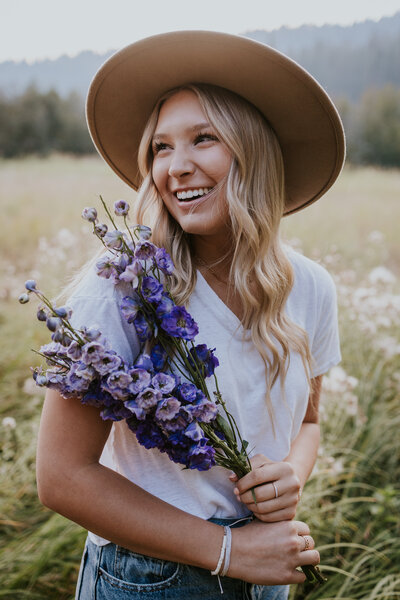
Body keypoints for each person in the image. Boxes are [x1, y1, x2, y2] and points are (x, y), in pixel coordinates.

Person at [36, 31, 345, 599]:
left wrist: (292, 476)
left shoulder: (313, 289)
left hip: (268, 568)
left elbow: (307, 423)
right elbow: (61, 478)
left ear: (255, 150)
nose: (176, 167)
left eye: (204, 138)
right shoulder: (125, 287)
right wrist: (228, 551)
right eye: (160, 147)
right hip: (149, 579)